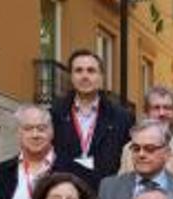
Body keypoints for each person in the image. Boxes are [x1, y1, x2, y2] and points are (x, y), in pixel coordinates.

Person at [51, 49, 134, 185]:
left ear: (101, 77)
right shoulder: (54, 115)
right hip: (65, 195)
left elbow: (128, 162)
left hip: (106, 195)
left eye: (91, 71)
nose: (85, 76)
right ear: (71, 76)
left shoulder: (122, 118)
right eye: (79, 70)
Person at [118, 85, 173, 183]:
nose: (162, 113)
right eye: (156, 108)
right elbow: (122, 190)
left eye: (167, 108)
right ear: (146, 112)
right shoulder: (129, 150)